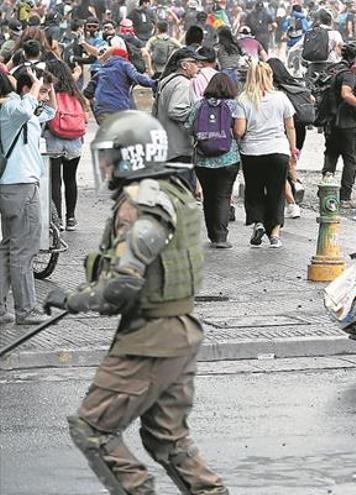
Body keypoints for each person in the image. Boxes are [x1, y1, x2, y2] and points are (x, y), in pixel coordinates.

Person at [43, 111, 228, 495]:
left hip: (152, 336)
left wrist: (74, 299)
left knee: (92, 427)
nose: (106, 167)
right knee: (167, 439)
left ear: (135, 156)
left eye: (111, 157)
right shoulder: (171, 189)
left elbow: (121, 287)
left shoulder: (141, 202)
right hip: (180, 328)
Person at [0, 68, 55, 326]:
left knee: (8, 248)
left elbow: (50, 112)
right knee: (24, 250)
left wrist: (48, 88)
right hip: (20, 187)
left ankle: (2, 309)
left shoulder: (22, 109)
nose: (41, 95)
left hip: (12, 187)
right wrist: (35, 83)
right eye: (38, 90)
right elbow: (26, 108)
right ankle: (26, 309)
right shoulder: (12, 108)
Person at [234, 61, 297, 247]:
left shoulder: (243, 99)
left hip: (252, 152)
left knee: (254, 190)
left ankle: (258, 222)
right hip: (278, 150)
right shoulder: (281, 98)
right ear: (269, 77)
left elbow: (239, 130)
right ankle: (275, 234)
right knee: (276, 192)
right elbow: (290, 126)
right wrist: (293, 149)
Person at [188, 73, 241, 249]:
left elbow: (189, 127)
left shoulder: (198, 105)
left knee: (208, 196)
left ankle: (212, 234)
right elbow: (240, 131)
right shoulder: (234, 106)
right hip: (228, 158)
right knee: (223, 196)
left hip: (203, 160)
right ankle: (221, 237)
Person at [322, 41, 356, 209]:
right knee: (351, 160)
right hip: (346, 123)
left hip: (331, 122)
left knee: (331, 155)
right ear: (351, 57)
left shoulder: (334, 69)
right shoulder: (349, 75)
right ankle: (345, 197)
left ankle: (325, 190)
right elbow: (346, 94)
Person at [44, 59, 87, 232]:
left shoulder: (49, 93)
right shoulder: (75, 93)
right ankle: (71, 218)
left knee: (55, 180)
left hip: (53, 139)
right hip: (74, 141)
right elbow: (85, 118)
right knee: (71, 179)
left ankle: (57, 220)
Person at [267, 57, 308, 220]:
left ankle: (292, 202)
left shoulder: (275, 91)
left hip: (285, 130)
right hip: (300, 130)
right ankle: (295, 183)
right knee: (289, 163)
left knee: (279, 169)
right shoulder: (295, 85)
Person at [155, 47, 204, 165]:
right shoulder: (183, 84)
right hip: (178, 146)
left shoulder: (166, 80)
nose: (199, 66)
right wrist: (198, 111)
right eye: (195, 62)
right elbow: (175, 111)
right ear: (185, 65)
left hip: (166, 145)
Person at [88, 46, 155, 125]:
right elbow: (137, 77)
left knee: (108, 135)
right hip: (119, 109)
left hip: (102, 111)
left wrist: (96, 108)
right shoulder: (124, 64)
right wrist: (154, 83)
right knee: (121, 135)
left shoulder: (101, 71)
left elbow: (87, 92)